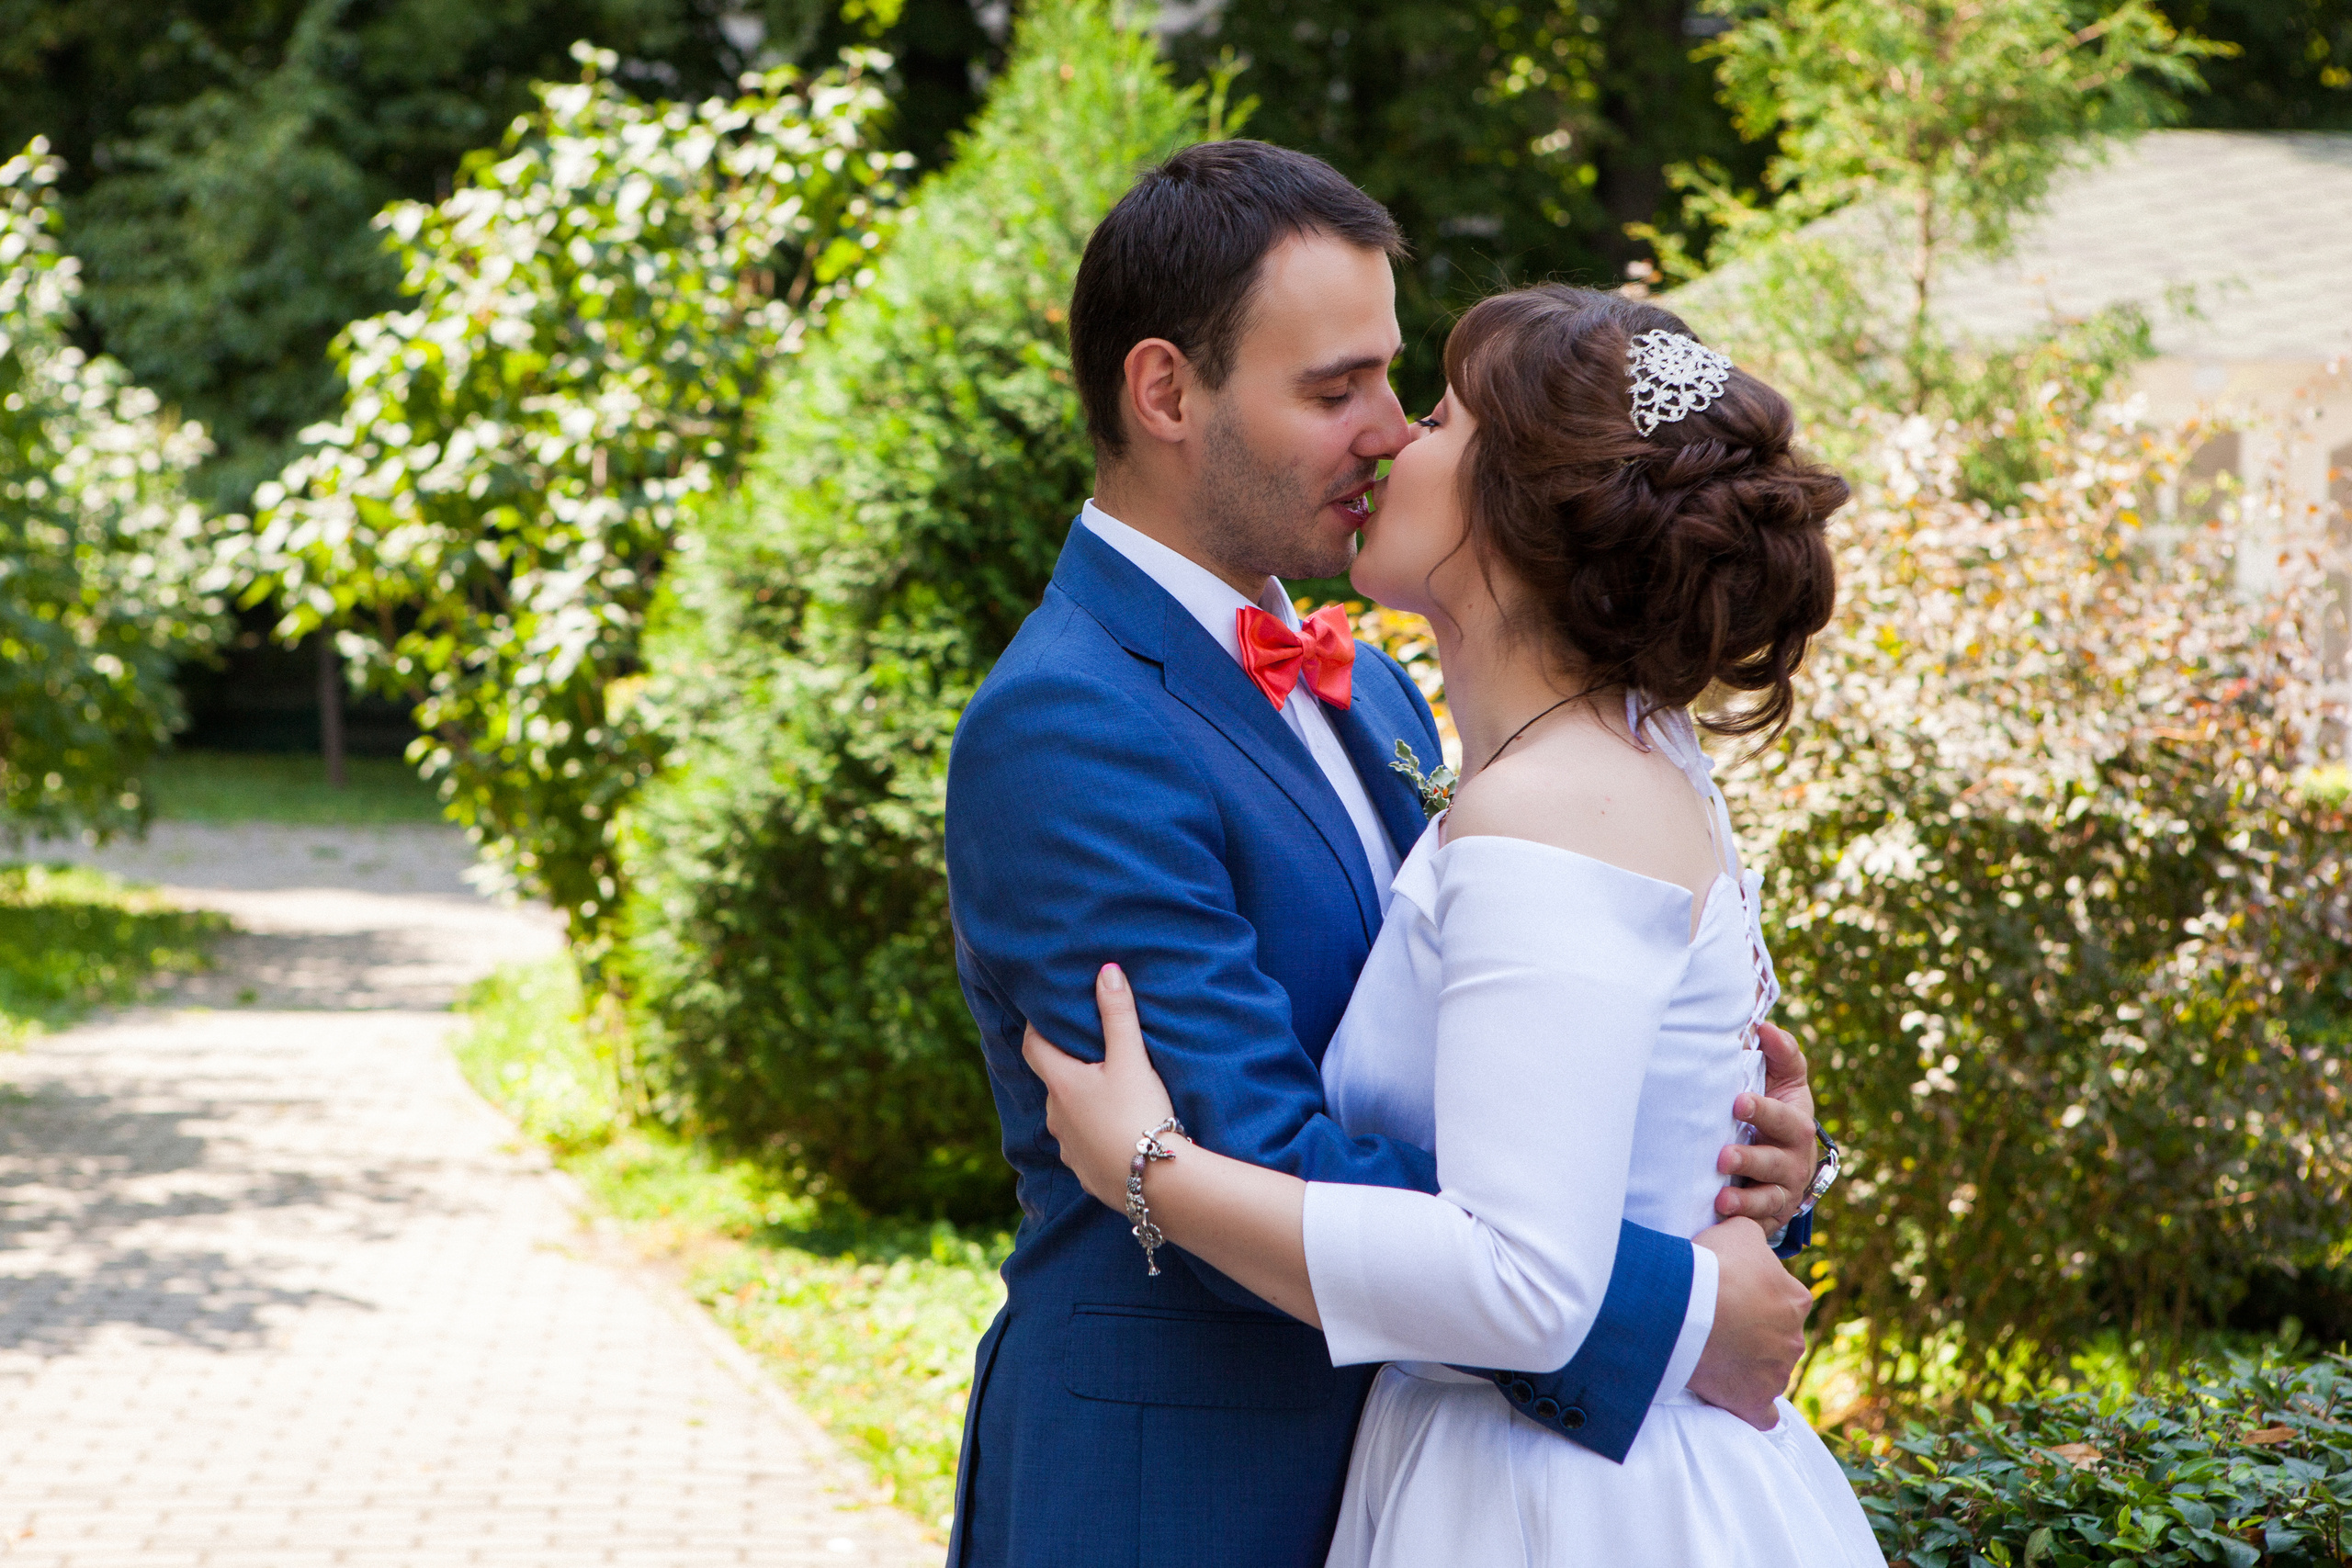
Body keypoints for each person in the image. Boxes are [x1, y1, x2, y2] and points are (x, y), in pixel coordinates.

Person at [942, 141, 1827, 1568]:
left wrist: (1715, 1155)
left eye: (1397, 381)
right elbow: (1253, 1148)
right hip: (1183, 1493)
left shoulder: (1380, 685)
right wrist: (1672, 1295)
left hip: (1423, 1475)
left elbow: (1517, 1044)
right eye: (1332, 387)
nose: (1389, 426)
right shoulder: (1067, 726)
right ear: (1166, 391)